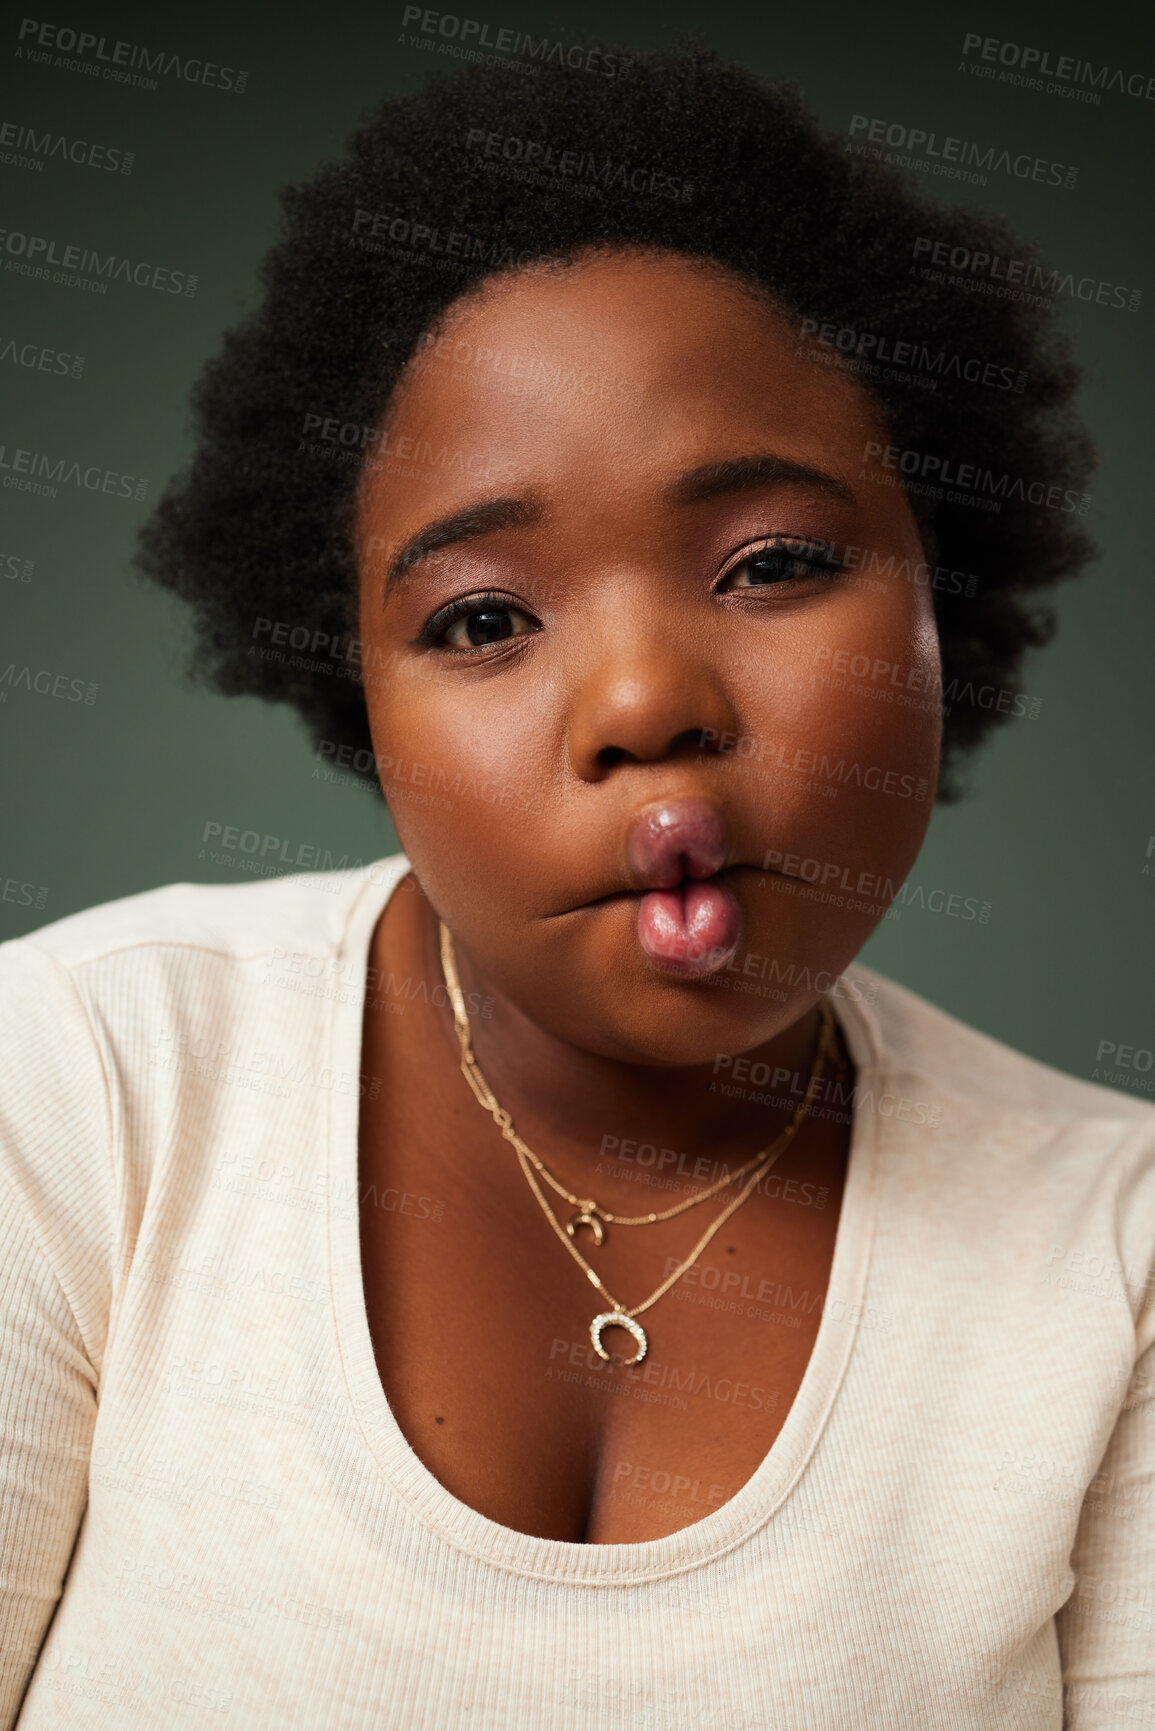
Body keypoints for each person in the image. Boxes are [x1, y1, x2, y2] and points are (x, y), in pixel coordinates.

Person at [1, 41, 1150, 1731]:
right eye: (482, 618)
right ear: (360, 693)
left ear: (940, 592)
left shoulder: (1117, 1257)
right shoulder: (83, 1081)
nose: (643, 706)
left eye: (774, 564)